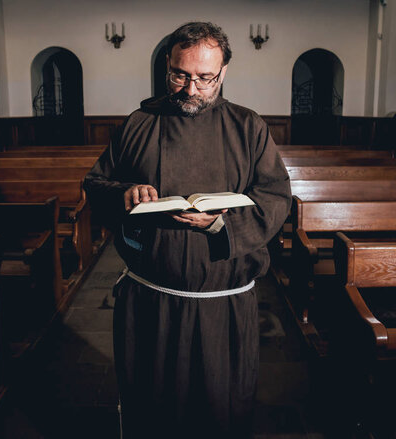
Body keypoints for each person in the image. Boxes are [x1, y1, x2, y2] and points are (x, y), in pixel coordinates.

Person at [84, 21, 291, 439]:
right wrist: (126, 193)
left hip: (223, 305)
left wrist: (220, 223)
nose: (191, 89)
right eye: (180, 75)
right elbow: (96, 184)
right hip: (152, 300)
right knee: (154, 407)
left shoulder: (249, 128)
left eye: (205, 78)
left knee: (220, 406)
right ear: (167, 66)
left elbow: (275, 198)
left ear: (224, 72)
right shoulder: (140, 122)